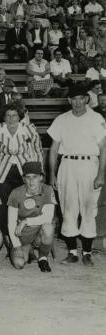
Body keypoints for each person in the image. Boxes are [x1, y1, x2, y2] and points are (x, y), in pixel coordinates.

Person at [48, 84, 106, 267]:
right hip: (67, 166)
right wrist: (52, 174)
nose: (78, 102)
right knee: (68, 208)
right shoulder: (61, 119)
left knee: (89, 210)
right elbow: (54, 149)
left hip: (90, 165)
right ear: (69, 100)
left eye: (81, 98)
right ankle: (73, 252)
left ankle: (87, 253)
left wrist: (100, 174)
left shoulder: (96, 118)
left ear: (87, 99)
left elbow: (104, 148)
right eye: (74, 98)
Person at [7, 161, 56, 273]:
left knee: (48, 227)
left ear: (41, 177)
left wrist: (25, 221)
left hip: (37, 232)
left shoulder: (48, 190)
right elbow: (11, 223)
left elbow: (47, 218)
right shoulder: (16, 193)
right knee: (19, 264)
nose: (31, 181)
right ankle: (28, 249)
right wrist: (17, 245)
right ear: (23, 178)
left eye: (34, 177)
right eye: (28, 177)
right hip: (21, 235)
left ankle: (43, 258)